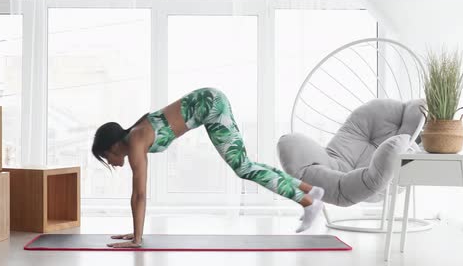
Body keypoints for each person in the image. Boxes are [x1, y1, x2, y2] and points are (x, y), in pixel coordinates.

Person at [92, 87, 324, 248]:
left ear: (111, 147)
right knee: (247, 165)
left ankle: (308, 202)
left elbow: (140, 194)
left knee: (243, 168)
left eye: (105, 157)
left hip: (211, 105)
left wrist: (137, 239)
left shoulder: (135, 141)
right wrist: (137, 234)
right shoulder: (136, 135)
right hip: (210, 103)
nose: (109, 163)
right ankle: (310, 191)